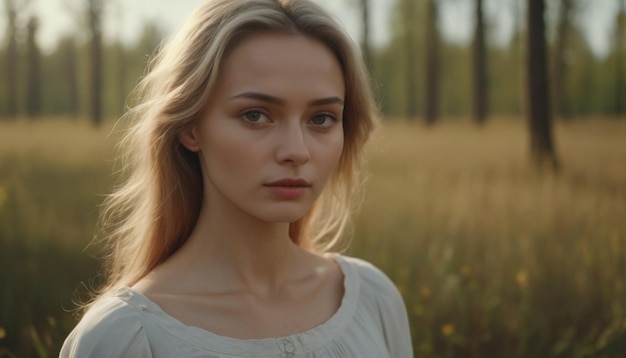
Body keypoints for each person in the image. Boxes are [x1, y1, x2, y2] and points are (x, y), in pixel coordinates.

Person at [60, 0, 413, 357]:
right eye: (256, 115)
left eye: (321, 118)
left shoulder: (374, 300)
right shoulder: (124, 338)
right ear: (190, 127)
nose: (296, 151)